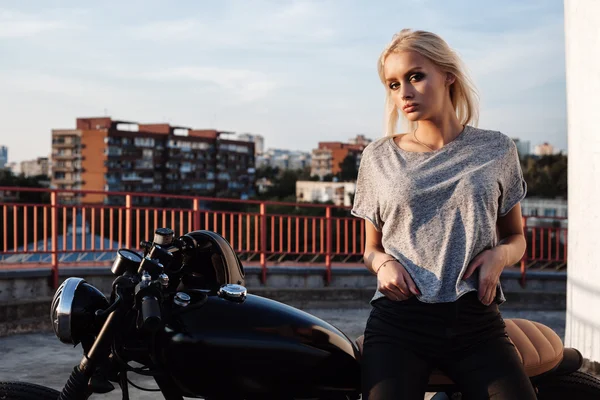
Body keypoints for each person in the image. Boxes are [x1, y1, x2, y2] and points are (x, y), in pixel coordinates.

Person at [351, 29, 537, 399]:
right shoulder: (378, 156)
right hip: (400, 321)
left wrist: (499, 256)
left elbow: (516, 238)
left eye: (415, 76)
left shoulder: (496, 149)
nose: (403, 92)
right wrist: (383, 265)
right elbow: (370, 248)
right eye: (392, 84)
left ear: (448, 75)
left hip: (476, 321)